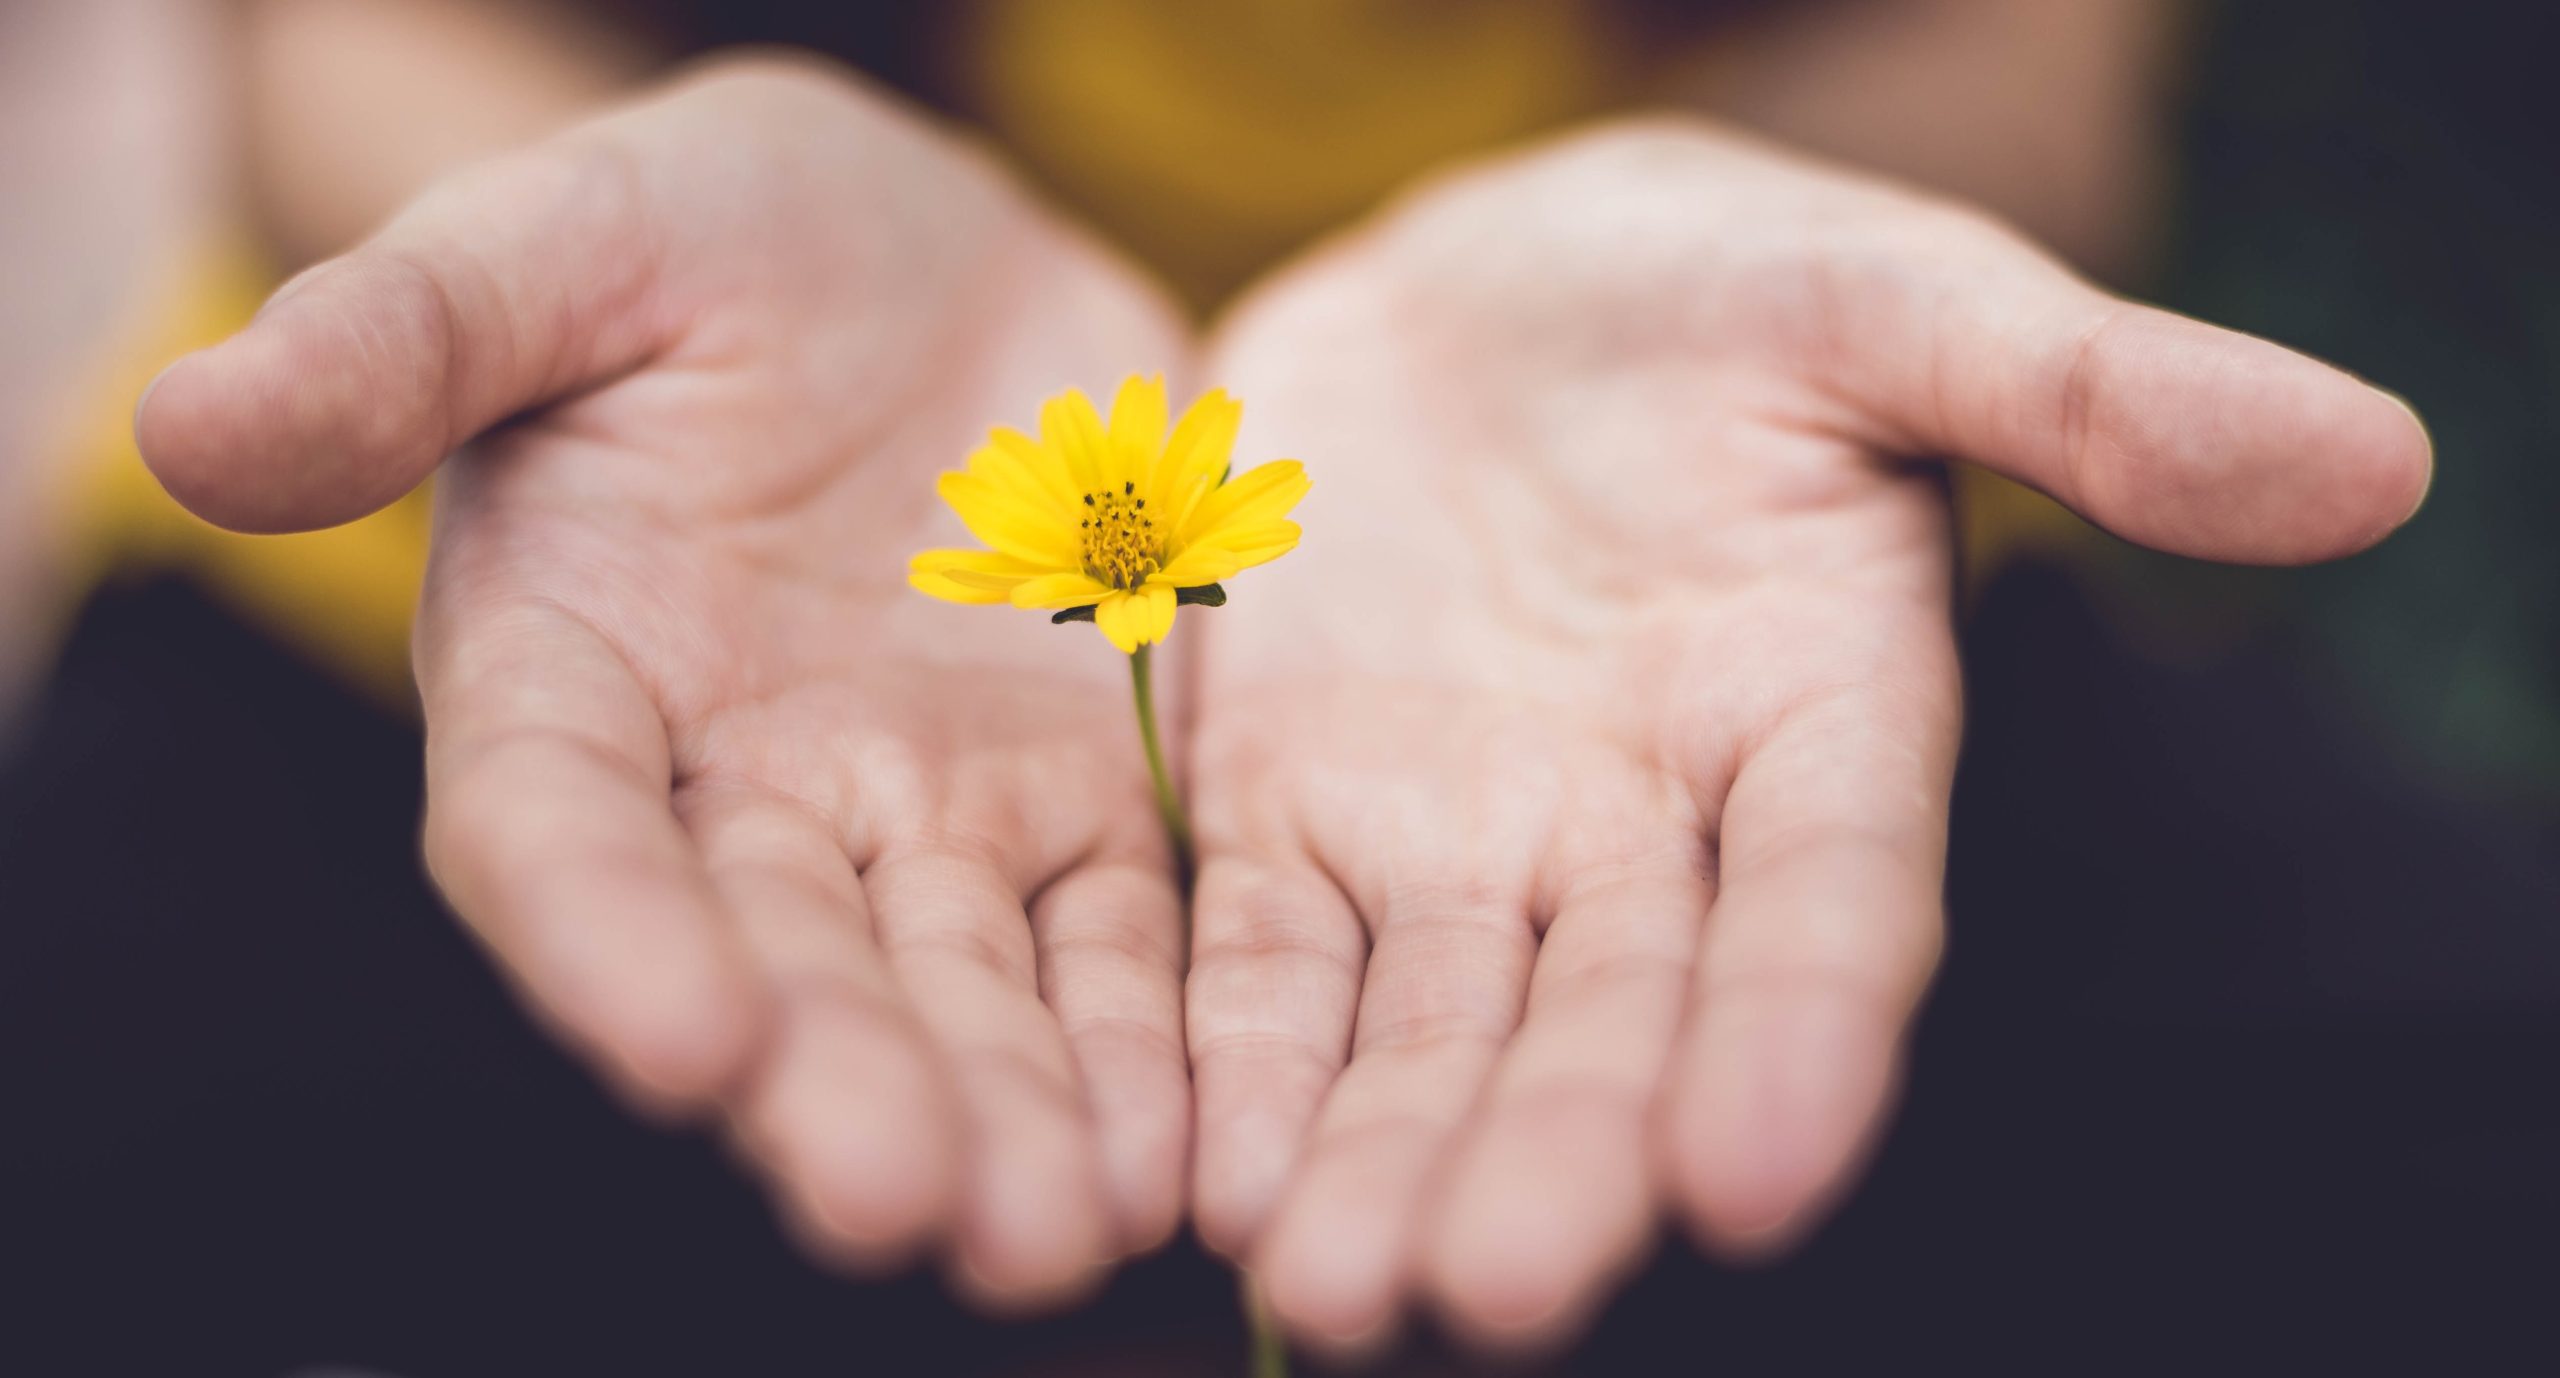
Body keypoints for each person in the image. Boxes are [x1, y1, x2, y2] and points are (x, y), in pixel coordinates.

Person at [126, 42, 2429, 1365]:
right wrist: (550, 246)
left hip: (1676, 591)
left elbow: (2017, 46)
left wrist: (1748, 224)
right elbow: (318, 21)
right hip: (640, 583)